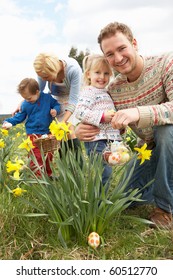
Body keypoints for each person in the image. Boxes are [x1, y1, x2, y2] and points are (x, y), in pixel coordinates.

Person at [75, 21, 173, 229]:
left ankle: (165, 208)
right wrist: (79, 129)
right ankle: (163, 183)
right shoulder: (114, 88)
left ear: (134, 43)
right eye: (110, 54)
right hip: (148, 150)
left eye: (122, 48)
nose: (117, 58)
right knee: (127, 199)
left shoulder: (166, 63)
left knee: (165, 131)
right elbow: (106, 117)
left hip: (168, 139)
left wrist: (137, 112)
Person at [75, 54, 122, 187]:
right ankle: (99, 202)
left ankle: (102, 198)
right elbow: (80, 112)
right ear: (88, 74)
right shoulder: (89, 92)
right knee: (103, 171)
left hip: (105, 139)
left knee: (107, 170)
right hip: (95, 139)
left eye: (106, 73)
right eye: (97, 72)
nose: (102, 77)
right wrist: (102, 116)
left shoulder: (105, 92)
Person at [2, 78, 61, 177]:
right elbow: (19, 116)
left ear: (37, 92)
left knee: (48, 155)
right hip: (33, 133)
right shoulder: (25, 104)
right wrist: (8, 122)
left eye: (29, 98)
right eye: (24, 98)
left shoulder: (47, 98)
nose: (26, 100)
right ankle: (37, 177)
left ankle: (48, 174)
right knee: (36, 155)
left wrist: (55, 110)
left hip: (47, 132)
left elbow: (57, 104)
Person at [33, 52, 83, 153]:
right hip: (57, 99)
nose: (43, 80)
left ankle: (79, 166)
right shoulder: (43, 71)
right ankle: (63, 165)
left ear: (54, 70)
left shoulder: (73, 70)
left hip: (73, 98)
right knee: (59, 135)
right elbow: (38, 92)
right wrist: (23, 103)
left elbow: (74, 100)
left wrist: (62, 123)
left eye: (46, 78)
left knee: (69, 130)